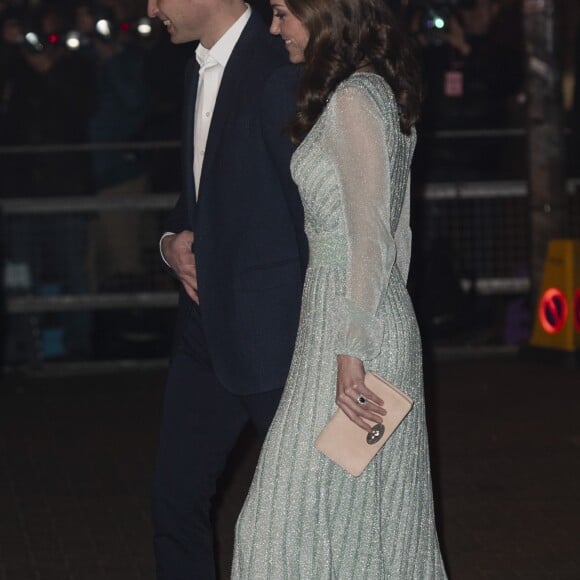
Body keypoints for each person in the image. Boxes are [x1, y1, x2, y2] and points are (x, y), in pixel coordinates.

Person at [232, 0, 448, 577]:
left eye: (282, 12)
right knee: (356, 528)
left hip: (353, 333)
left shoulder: (357, 97)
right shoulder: (374, 93)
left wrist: (355, 348)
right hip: (354, 321)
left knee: (282, 521)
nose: (275, 27)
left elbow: (373, 236)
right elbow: (393, 235)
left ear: (323, 12)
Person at [146, 0, 307, 578]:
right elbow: (194, 196)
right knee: (174, 499)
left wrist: (333, 341)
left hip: (277, 339)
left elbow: (316, 216)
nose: (150, 8)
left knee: (306, 515)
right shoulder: (194, 65)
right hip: (203, 332)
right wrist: (171, 243)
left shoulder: (281, 62)